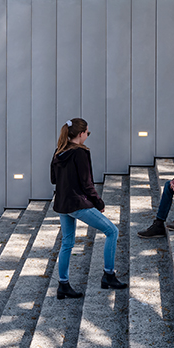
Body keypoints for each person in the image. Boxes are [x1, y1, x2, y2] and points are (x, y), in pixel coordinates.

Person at [50, 117, 127, 299]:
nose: (87, 136)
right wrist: (98, 202)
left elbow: (54, 179)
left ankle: (63, 285)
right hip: (77, 203)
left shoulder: (59, 152)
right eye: (87, 133)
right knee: (112, 231)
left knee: (67, 243)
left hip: (62, 204)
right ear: (80, 134)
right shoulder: (80, 153)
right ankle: (109, 275)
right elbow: (87, 183)